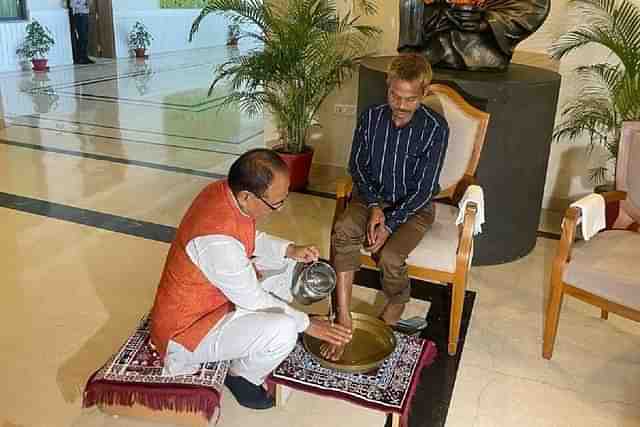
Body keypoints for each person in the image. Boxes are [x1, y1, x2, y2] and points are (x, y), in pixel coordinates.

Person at [150, 149, 352, 409]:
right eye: (275, 203)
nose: (279, 209)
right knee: (284, 330)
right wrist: (306, 324)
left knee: (288, 269)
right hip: (188, 330)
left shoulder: (224, 191)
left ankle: (266, 334)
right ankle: (243, 377)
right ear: (246, 196)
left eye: (284, 198)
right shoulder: (217, 241)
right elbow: (253, 298)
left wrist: (289, 250)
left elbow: (246, 235)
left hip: (216, 296)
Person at [328, 54, 448, 360]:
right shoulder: (371, 117)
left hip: (414, 209)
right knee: (343, 229)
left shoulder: (436, 129)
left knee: (391, 256)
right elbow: (357, 165)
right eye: (395, 95)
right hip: (370, 199)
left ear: (424, 93)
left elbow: (423, 190)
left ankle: (397, 302)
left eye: (410, 98)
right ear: (387, 85)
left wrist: (390, 223)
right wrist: (375, 206)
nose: (401, 105)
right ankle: (342, 314)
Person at [398, 0, 550, 71]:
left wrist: (486, 22)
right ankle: (412, 52)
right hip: (443, 19)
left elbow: (534, 8)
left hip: (482, 37)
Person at [70, 0, 94, 64]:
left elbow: (89, 4)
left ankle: (85, 56)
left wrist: (89, 3)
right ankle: (80, 58)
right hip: (79, 16)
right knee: (82, 37)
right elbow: (72, 4)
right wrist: (83, 4)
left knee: (86, 38)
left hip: (86, 15)